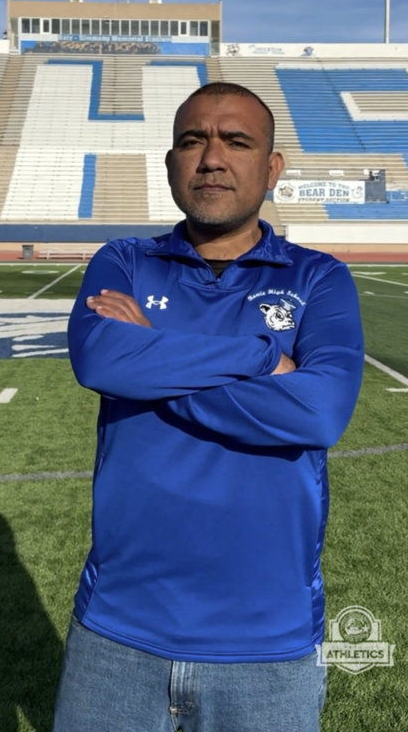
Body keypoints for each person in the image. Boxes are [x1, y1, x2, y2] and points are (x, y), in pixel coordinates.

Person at [54, 82, 364, 732]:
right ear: (171, 163)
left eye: (237, 142)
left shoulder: (318, 278)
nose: (212, 158)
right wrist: (262, 360)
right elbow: (101, 360)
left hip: (268, 647)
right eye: (193, 141)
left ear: (271, 167)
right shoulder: (124, 262)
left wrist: (155, 354)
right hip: (118, 632)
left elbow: (319, 411)